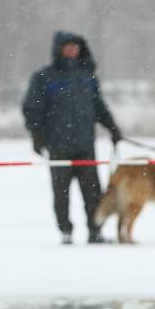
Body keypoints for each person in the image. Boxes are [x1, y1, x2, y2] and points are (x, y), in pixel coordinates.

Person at [22, 31, 123, 244]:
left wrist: (112, 127)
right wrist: (37, 135)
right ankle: (65, 231)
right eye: (68, 46)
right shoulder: (44, 77)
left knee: (93, 192)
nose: (72, 50)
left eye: (76, 46)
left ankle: (95, 230)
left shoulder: (87, 76)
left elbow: (98, 106)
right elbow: (33, 108)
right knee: (61, 193)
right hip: (58, 146)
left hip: (86, 145)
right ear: (59, 49)